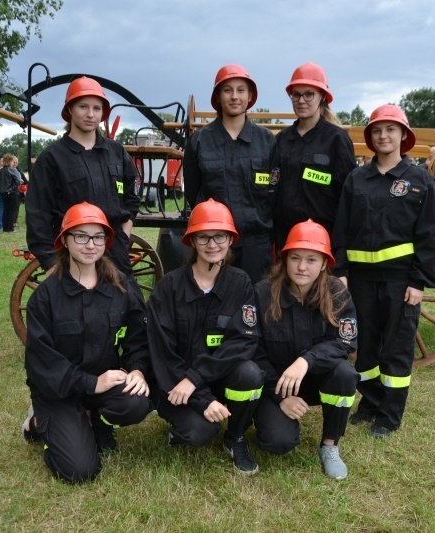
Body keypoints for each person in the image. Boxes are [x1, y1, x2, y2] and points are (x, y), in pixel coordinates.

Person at [22, 202, 153, 483]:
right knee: (80, 470)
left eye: (98, 237)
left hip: (104, 384)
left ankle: (98, 421)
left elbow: (138, 338)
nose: (90, 244)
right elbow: (42, 363)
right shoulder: (45, 298)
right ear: (65, 241)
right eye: (80, 236)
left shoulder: (122, 288)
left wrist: (138, 369)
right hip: (59, 391)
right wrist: (92, 383)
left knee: (137, 402)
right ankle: (38, 424)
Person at [331, 105, 435, 438]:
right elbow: (342, 229)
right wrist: (341, 271)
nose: (384, 136)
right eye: (378, 130)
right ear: (370, 138)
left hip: (400, 282)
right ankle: (370, 404)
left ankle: (390, 416)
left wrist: (419, 281)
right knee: (364, 347)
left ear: (403, 136)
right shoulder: (356, 179)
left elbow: (428, 235)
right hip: (361, 280)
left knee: (395, 349)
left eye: (391, 130)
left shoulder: (420, 182)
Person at [147, 199, 264, 474]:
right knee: (200, 433)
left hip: (210, 379)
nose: (213, 244)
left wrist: (196, 378)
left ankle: (235, 438)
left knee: (251, 373)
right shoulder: (169, 288)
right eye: (204, 237)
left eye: (220, 236)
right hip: (176, 384)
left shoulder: (241, 283)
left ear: (230, 239)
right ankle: (182, 427)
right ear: (192, 241)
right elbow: (163, 354)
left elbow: (244, 341)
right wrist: (200, 397)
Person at [253, 220, 358, 480]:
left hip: (315, 379)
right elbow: (252, 351)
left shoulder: (337, 294)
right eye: (295, 258)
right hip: (275, 384)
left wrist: (306, 361)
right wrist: (281, 398)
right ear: (284, 259)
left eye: (312, 259)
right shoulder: (262, 294)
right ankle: (270, 419)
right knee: (278, 443)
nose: (302, 267)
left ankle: (330, 445)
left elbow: (346, 342)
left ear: (324, 263)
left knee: (345, 374)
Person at [26, 76, 141, 277]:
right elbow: (38, 214)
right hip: (71, 256)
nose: (90, 114)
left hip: (115, 254)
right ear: (70, 109)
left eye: (97, 108)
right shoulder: (52, 158)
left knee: (131, 306)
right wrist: (51, 263)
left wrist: (123, 234)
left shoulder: (116, 152)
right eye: (83, 107)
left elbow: (130, 196)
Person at [183, 64, 276, 284]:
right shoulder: (200, 142)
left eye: (241, 90)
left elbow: (274, 193)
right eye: (227, 90)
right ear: (218, 96)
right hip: (213, 244)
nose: (235, 96)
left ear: (250, 95)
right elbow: (194, 192)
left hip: (256, 244)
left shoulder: (266, 142)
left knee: (254, 308)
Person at [268, 62, 356, 256]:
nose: (301, 100)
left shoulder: (336, 140)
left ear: (322, 97)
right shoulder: (282, 140)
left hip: (322, 240)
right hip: (285, 238)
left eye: (309, 94)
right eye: (296, 94)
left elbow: (347, 196)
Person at [0, 154, 22, 233]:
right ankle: (10, 228)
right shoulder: (11, 169)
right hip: (12, 193)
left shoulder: (0, 170)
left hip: (3, 193)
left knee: (6, 210)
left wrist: (3, 190)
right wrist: (11, 189)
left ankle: (5, 228)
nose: (13, 163)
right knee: (12, 210)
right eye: (12, 161)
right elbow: (18, 180)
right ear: (9, 161)